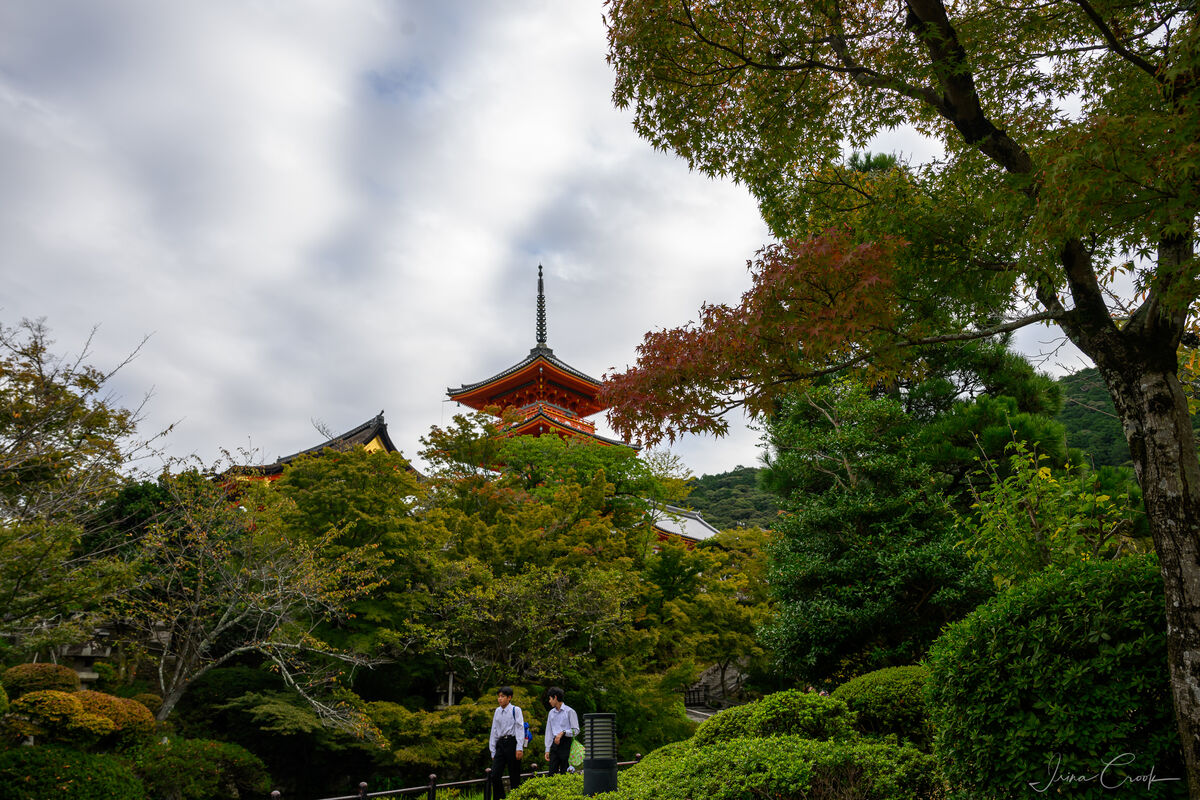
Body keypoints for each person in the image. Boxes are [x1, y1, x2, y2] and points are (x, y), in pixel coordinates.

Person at [488, 686, 524, 798]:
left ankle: (515, 797)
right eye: (499, 696)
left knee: (514, 776)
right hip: (500, 744)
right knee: (494, 775)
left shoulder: (516, 710)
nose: (500, 699)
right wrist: (492, 750)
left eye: (502, 696)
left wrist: (519, 747)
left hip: (512, 743)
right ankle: (501, 798)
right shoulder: (497, 711)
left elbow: (519, 728)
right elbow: (494, 730)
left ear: (509, 697)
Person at [543, 686, 580, 776]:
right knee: (551, 773)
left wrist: (563, 732)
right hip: (555, 745)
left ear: (555, 697)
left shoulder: (570, 711)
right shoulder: (551, 713)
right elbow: (549, 732)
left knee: (566, 773)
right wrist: (547, 749)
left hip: (566, 744)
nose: (549, 701)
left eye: (550, 698)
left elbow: (576, 730)